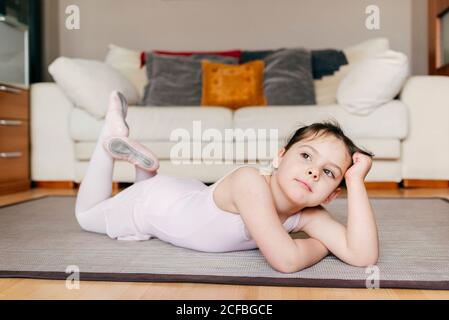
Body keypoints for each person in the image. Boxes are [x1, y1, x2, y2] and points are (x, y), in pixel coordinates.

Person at [75, 91, 379, 274]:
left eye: (329, 172)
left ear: (331, 195)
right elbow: (286, 260)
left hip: (185, 196)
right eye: (306, 156)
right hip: (152, 205)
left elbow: (362, 255)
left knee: (171, 201)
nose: (314, 172)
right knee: (87, 215)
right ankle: (110, 132)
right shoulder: (250, 181)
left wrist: (356, 182)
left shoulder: (309, 212)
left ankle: (146, 170)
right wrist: (323, 246)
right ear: (279, 157)